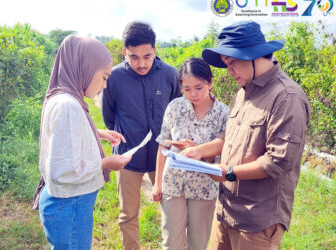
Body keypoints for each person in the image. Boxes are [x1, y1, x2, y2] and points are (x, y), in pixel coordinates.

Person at [182, 21, 311, 249]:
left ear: (254, 56)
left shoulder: (286, 97)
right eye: (226, 64)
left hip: (257, 220)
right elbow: (227, 137)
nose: (229, 71)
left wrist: (229, 173)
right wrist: (199, 152)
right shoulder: (244, 93)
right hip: (226, 210)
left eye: (232, 63)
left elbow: (278, 161)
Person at [34, 35, 132, 249]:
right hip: (70, 206)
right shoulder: (67, 105)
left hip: (67, 205)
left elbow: (62, 137)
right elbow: (61, 170)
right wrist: (106, 164)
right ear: (85, 67)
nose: (105, 86)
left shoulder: (61, 97)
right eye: (104, 77)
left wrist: (97, 133)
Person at [101, 21, 180, 250]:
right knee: (127, 215)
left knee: (172, 212)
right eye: (134, 57)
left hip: (163, 156)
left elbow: (177, 112)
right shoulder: (113, 78)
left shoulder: (170, 74)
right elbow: (109, 117)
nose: (141, 63)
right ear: (124, 52)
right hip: (127, 157)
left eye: (147, 56)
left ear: (155, 50)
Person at [152, 58, 230, 250]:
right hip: (173, 183)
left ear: (210, 82)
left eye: (198, 87)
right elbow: (163, 145)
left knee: (198, 242)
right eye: (187, 89)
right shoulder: (175, 107)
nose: (193, 94)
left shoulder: (223, 113)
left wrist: (200, 150)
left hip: (205, 186)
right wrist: (157, 183)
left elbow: (223, 149)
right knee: (171, 242)